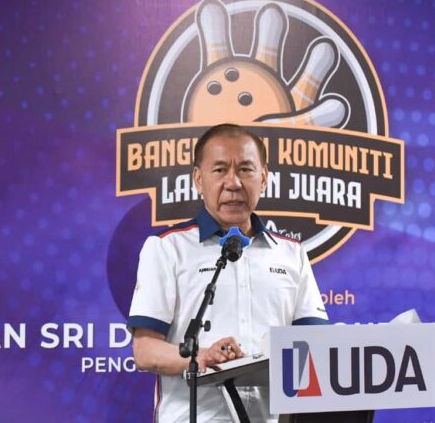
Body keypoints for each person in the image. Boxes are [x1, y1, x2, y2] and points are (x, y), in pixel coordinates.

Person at [128, 124, 328, 422]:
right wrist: (200, 357)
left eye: (245, 170)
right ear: (198, 179)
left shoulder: (292, 254)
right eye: (220, 170)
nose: (233, 183)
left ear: (264, 178)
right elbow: (145, 351)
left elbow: (315, 346)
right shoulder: (167, 248)